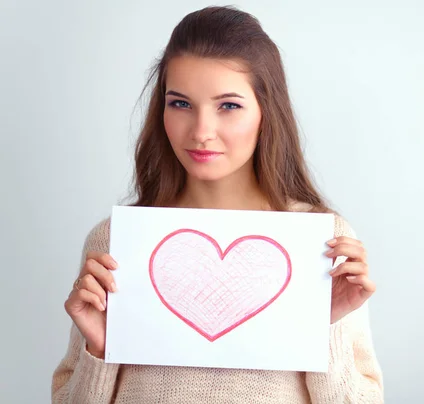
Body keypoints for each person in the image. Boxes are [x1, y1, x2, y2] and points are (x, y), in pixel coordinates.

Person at [51, 5, 383, 403]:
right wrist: (100, 350)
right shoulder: (115, 241)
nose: (201, 131)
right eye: (180, 103)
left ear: (266, 111)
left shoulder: (323, 242)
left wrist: (323, 327)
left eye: (228, 105)